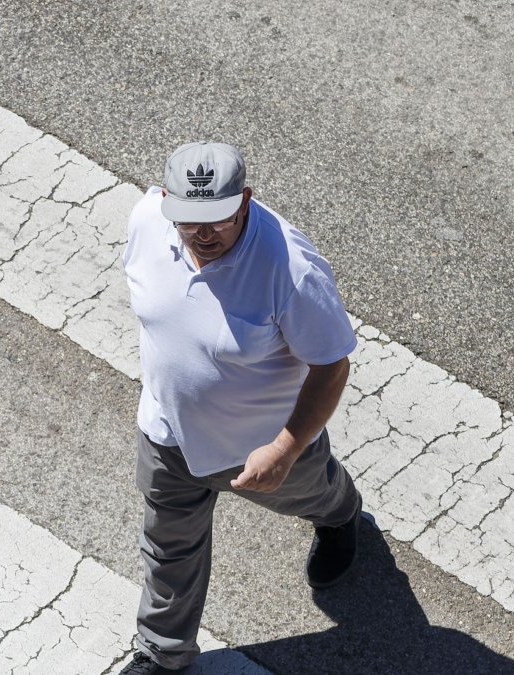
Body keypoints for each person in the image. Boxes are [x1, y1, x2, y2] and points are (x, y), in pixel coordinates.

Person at [118, 141, 363, 675]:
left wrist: (284, 447)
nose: (204, 234)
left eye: (219, 219)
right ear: (165, 202)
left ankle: (343, 515)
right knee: (168, 550)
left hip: (259, 446)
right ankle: (163, 654)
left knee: (314, 493)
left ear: (245, 201)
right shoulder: (145, 222)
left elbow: (331, 367)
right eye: (188, 220)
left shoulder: (291, 270)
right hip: (167, 435)